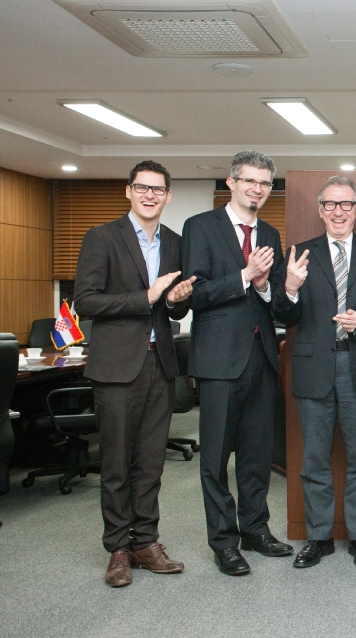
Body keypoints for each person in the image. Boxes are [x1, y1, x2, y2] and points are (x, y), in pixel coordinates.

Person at [74, 160, 195, 587]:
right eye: (142, 188)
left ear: (167, 196)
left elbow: (174, 306)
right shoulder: (102, 237)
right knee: (116, 464)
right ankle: (117, 549)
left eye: (158, 190)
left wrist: (178, 299)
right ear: (128, 191)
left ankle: (146, 542)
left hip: (159, 364)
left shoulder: (176, 243)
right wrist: (145, 296)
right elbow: (85, 301)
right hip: (116, 366)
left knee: (150, 463)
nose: (150, 195)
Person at [273, 176, 356, 569]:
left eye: (345, 205)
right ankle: (319, 537)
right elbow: (283, 314)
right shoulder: (299, 254)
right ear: (320, 210)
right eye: (330, 204)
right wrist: (289, 288)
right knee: (314, 459)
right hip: (313, 366)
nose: (338, 211)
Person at [181, 150, 291, 575]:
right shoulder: (200, 228)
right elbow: (195, 293)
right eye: (250, 181)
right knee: (215, 460)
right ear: (231, 182)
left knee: (256, 455)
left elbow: (276, 302)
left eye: (264, 183)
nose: (257, 189)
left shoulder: (270, 233)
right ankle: (224, 542)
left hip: (261, 360)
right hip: (218, 362)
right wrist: (244, 276)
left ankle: (256, 530)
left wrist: (265, 287)